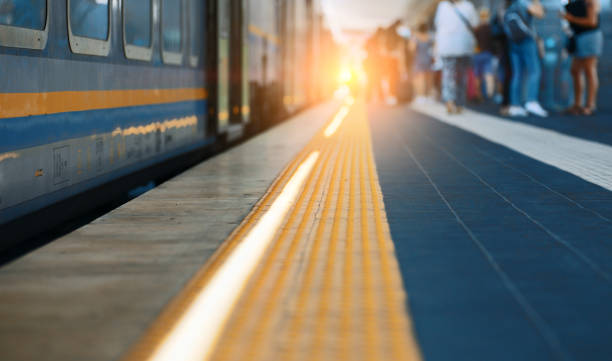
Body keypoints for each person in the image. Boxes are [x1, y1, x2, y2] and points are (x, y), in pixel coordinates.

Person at [504, 0, 548, 117]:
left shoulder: (511, 5)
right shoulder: (524, 3)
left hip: (513, 42)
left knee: (517, 74)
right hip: (527, 41)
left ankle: (515, 105)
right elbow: (540, 14)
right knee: (534, 71)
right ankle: (531, 101)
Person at [434, 0, 478, 114]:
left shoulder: (442, 6)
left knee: (448, 75)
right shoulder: (469, 6)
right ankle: (459, 103)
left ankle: (450, 101)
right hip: (463, 46)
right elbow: (475, 24)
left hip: (447, 47)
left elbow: (437, 24)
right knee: (461, 76)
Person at [562, 0, 603, 115]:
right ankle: (577, 104)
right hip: (579, 37)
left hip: (590, 37)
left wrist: (571, 18)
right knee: (575, 70)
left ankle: (590, 105)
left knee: (589, 70)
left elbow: (592, 21)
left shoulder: (591, 1)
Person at [473, 8, 496, 101]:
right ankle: (490, 94)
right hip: (488, 53)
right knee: (488, 74)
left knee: (477, 75)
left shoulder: (477, 28)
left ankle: (479, 93)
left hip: (477, 53)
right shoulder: (491, 28)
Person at [410, 23, 434, 104]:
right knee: (429, 79)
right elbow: (434, 47)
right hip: (428, 59)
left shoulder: (416, 37)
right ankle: (428, 96)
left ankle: (421, 96)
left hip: (418, 59)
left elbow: (411, 48)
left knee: (420, 79)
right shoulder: (429, 37)